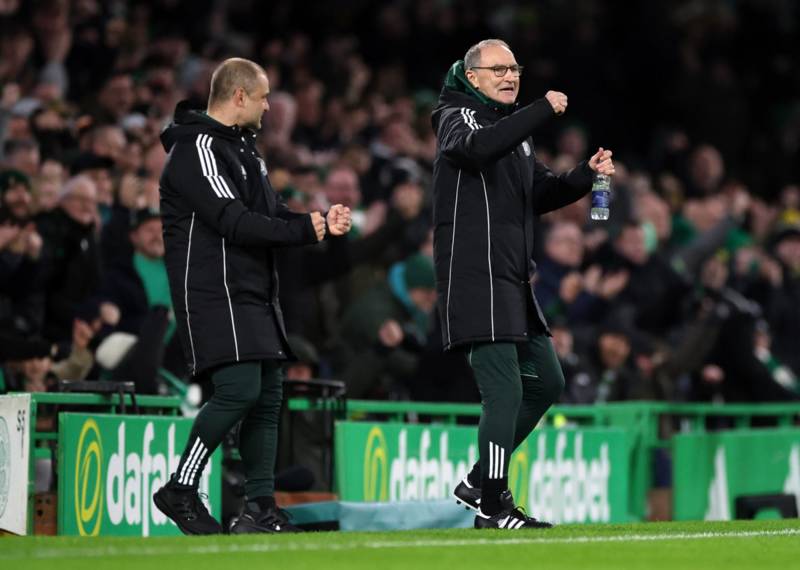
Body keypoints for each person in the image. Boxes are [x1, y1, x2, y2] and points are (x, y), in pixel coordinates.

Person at [151, 57, 351, 535]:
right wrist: (309, 229)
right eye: (262, 97)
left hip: (256, 291)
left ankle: (260, 508)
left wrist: (317, 221)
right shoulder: (195, 148)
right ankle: (180, 488)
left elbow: (271, 211)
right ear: (238, 95)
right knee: (239, 390)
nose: (267, 107)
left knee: (267, 397)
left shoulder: (245, 150)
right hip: (214, 292)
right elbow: (232, 220)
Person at [431, 39, 615, 529]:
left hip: (511, 278)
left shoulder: (516, 134)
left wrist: (585, 175)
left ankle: (477, 482)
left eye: (515, 68)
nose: (511, 76)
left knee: (548, 382)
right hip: (475, 276)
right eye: (499, 69)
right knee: (505, 393)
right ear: (473, 77)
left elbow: (540, 191)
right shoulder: (456, 115)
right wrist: (539, 110)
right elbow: (474, 150)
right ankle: (493, 505)